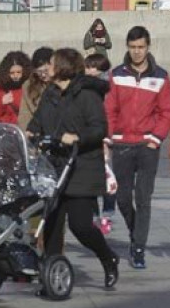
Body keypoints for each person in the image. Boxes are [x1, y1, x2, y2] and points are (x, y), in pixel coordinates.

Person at [26, 48, 119, 289]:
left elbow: (99, 128)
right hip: (55, 168)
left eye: (53, 63)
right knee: (52, 225)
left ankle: (107, 257)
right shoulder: (51, 93)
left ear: (63, 67)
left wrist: (77, 137)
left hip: (82, 167)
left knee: (81, 226)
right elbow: (37, 121)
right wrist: (30, 133)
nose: (49, 67)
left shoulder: (87, 95)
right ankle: (52, 277)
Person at [104, 26, 170, 270]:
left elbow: (166, 112)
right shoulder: (116, 75)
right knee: (122, 198)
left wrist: (156, 139)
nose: (137, 52)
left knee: (143, 198)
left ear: (148, 47)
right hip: (122, 143)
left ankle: (139, 247)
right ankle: (137, 233)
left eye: (141, 47)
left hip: (147, 145)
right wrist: (107, 140)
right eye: (133, 47)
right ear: (127, 47)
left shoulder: (161, 77)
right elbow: (110, 110)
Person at [84, 53, 116, 235]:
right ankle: (96, 216)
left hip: (104, 140)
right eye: (86, 67)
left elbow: (109, 115)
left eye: (91, 67)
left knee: (108, 180)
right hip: (89, 139)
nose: (88, 70)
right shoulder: (85, 88)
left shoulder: (107, 90)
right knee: (92, 182)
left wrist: (107, 139)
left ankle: (107, 214)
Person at [0, 51, 31, 124]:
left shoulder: (29, 88)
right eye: (12, 73)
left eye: (18, 72)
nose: (15, 76)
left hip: (23, 129)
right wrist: (1, 103)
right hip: (5, 129)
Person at [18, 47, 54, 129]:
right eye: (39, 72)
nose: (43, 75)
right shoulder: (28, 86)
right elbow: (24, 115)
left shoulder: (63, 82)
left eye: (46, 71)